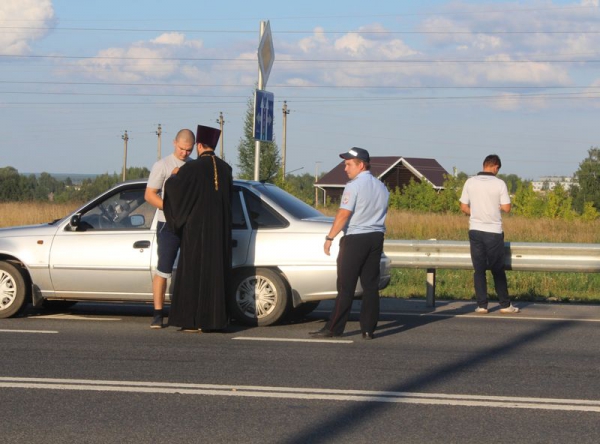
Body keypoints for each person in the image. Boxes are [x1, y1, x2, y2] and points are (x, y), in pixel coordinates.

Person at [310, 147, 389, 340]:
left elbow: (343, 214)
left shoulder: (353, 186)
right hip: (376, 237)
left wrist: (330, 238)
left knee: (346, 286)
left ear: (361, 165)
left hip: (355, 239)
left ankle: (334, 328)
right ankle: (368, 329)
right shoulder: (381, 186)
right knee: (370, 285)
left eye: (349, 164)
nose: (345, 168)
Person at [163, 124, 232, 332]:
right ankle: (215, 320)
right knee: (215, 274)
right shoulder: (226, 168)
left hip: (196, 232)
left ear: (199, 145)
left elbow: (174, 194)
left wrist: (174, 176)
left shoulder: (191, 169)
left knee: (194, 273)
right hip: (219, 232)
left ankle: (192, 320)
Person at [145, 128, 195, 328]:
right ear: (175, 143)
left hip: (189, 224)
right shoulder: (162, 165)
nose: (185, 153)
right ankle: (158, 313)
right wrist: (173, 209)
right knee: (164, 268)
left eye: (189, 150)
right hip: (167, 223)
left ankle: (188, 311)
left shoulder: (193, 166)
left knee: (190, 268)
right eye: (182, 149)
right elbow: (149, 195)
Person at [459, 154, 520, 314]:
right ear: (495, 167)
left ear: (484, 165)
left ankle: (482, 305)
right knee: (497, 269)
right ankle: (505, 305)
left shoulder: (470, 182)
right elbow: (507, 208)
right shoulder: (499, 184)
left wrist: (476, 213)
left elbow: (463, 207)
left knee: (479, 269)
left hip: (475, 230)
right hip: (493, 231)